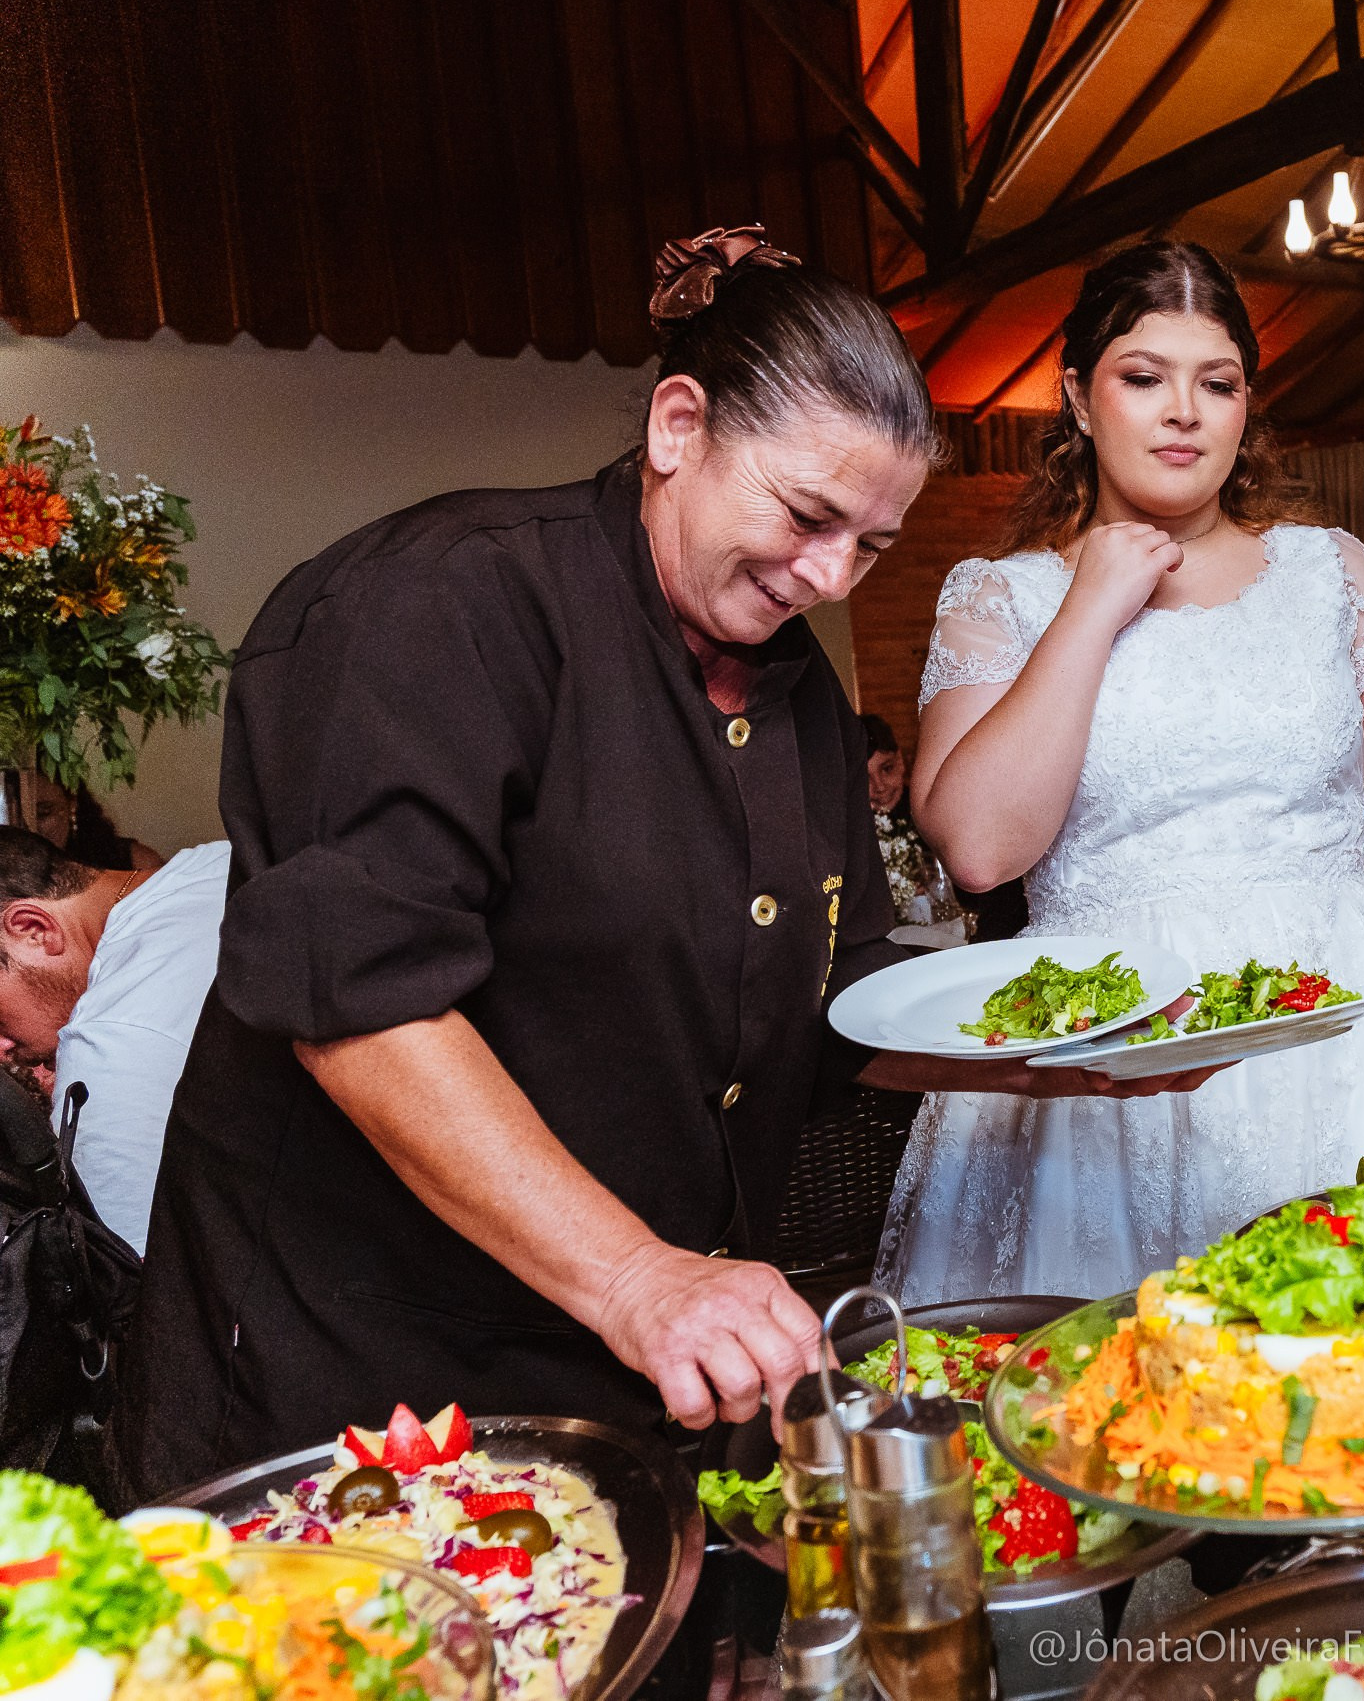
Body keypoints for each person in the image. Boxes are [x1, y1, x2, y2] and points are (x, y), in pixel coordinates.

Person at [115, 227, 1210, 1501]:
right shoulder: (441, 604)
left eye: (870, 546)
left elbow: (844, 1000)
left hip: (622, 1379)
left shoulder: (797, 695)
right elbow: (361, 1001)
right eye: (806, 516)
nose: (827, 578)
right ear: (678, 427)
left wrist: (1063, 1059)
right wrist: (638, 1277)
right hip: (360, 1364)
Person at [874, 242, 1364, 1305]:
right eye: (1144, 378)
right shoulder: (998, 596)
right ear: (1079, 400)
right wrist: (1092, 607)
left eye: (1217, 383)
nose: (1183, 412)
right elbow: (982, 850)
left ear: (1246, 408)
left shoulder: (1333, 572)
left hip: (1347, 1041)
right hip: (1106, 1061)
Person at [0, 826, 226, 1249]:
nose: (1, 1051)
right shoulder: (219, 862)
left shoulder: (108, 1049)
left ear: (33, 928)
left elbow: (131, 1273)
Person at [855, 712, 969, 939]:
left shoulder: (932, 811)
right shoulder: (854, 831)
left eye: (887, 769)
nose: (879, 786)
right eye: (865, 778)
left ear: (900, 760)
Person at [9, 771, 164, 873]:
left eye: (43, 813)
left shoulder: (135, 862)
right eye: (18, 817)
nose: (31, 827)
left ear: (71, 803)